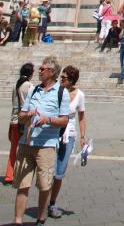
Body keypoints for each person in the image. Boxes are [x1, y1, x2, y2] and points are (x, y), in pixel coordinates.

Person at [13, 55, 70, 226]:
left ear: (52, 72)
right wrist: (27, 115)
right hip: (26, 143)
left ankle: (41, 218)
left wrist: (48, 120)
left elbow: (64, 120)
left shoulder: (62, 93)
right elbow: (21, 116)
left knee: (45, 185)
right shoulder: (33, 90)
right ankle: (17, 220)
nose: (39, 70)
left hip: (47, 145)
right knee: (22, 184)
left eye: (43, 69)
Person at [47, 65, 86, 219]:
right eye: (61, 77)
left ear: (71, 81)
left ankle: (52, 203)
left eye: (64, 78)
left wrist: (82, 137)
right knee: (47, 169)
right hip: (52, 131)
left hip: (68, 135)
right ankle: (45, 199)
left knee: (59, 172)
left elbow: (82, 117)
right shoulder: (55, 90)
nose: (61, 80)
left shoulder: (79, 95)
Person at [4, 62, 34, 185]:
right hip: (22, 122)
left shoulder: (15, 85)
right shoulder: (29, 86)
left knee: (13, 149)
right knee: (24, 149)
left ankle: (9, 175)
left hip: (13, 121)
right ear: (30, 74)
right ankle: (19, 174)